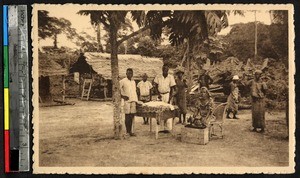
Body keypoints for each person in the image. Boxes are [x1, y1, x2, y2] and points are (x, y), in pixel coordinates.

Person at [154, 64, 176, 133]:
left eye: (166, 69)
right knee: (159, 111)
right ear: (162, 69)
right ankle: (161, 128)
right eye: (164, 69)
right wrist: (158, 94)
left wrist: (170, 98)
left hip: (167, 95)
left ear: (168, 70)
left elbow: (172, 88)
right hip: (160, 95)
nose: (165, 71)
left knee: (168, 111)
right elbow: (155, 86)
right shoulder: (158, 76)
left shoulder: (170, 77)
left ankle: (167, 128)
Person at [119, 68, 138, 136]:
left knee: (132, 116)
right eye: (129, 73)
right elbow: (117, 90)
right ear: (126, 73)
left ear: (132, 74)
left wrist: (136, 100)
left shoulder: (133, 82)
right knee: (127, 116)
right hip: (127, 101)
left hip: (133, 100)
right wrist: (123, 96)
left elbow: (134, 91)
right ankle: (127, 131)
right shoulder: (122, 81)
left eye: (131, 73)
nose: (130, 74)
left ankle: (131, 131)